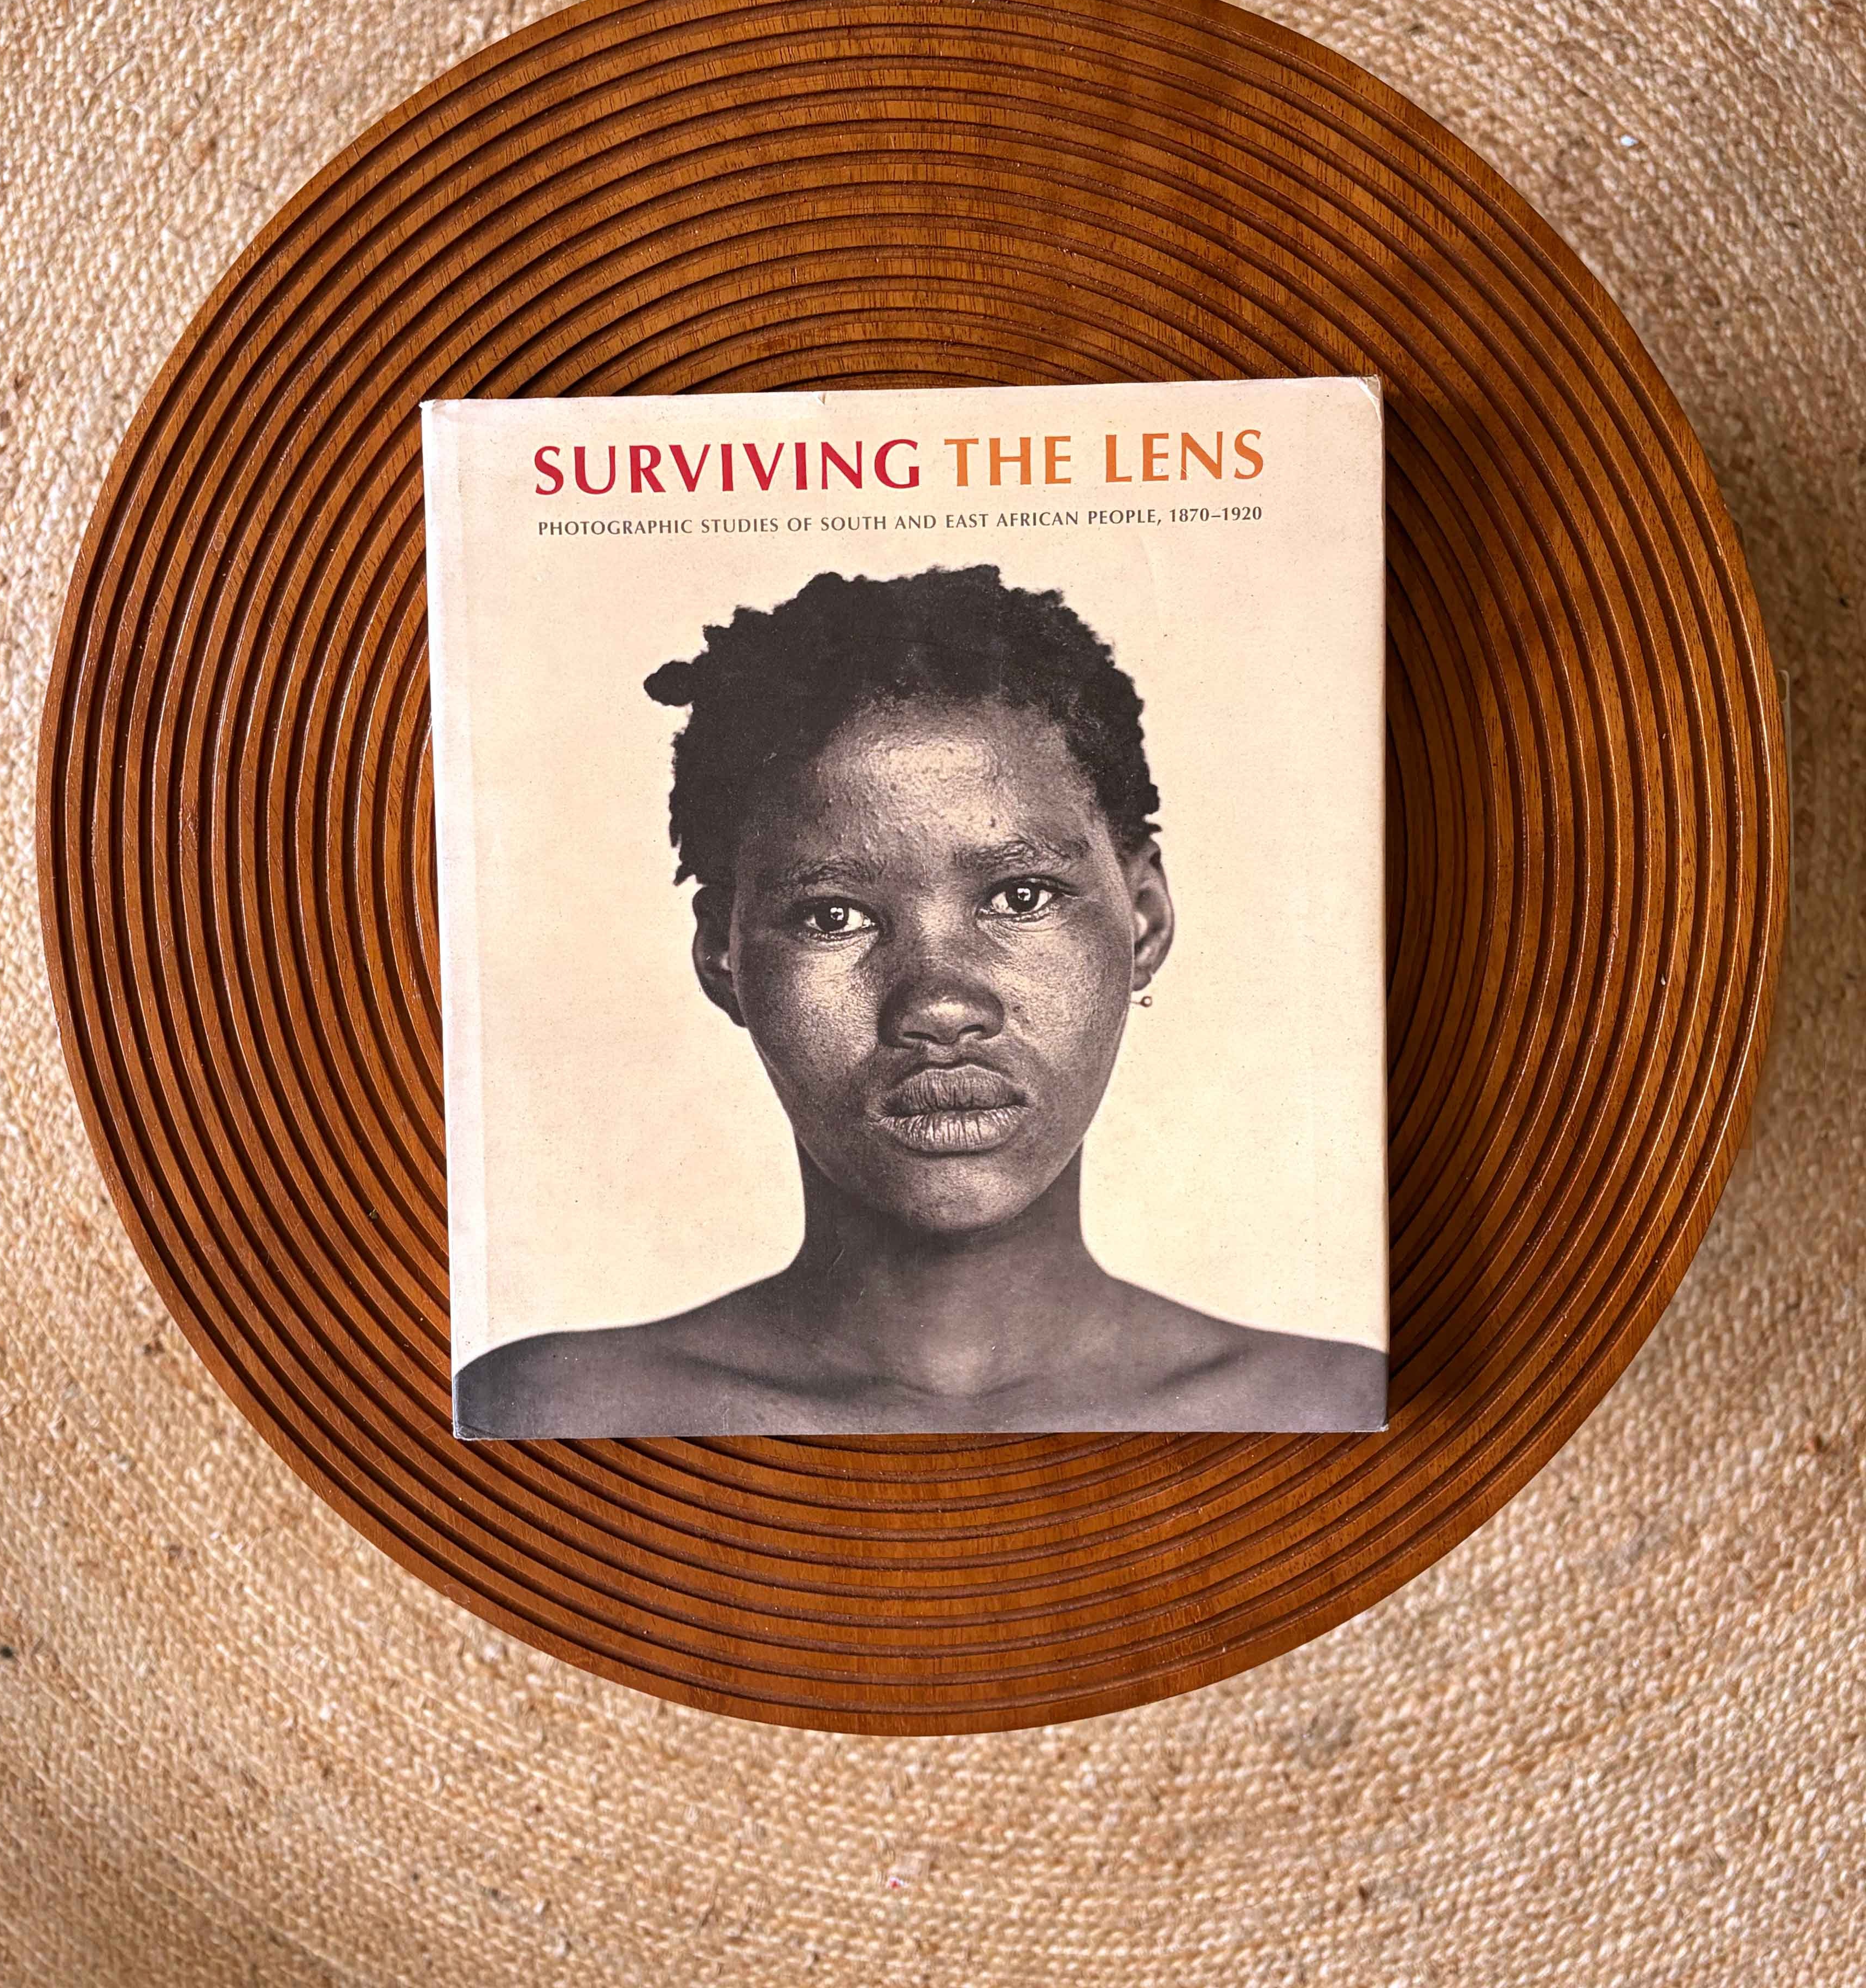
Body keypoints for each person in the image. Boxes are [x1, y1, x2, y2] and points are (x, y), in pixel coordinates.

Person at [455, 565, 1383, 1436]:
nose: (940, 1003)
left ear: (1142, 919)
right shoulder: (550, 1410)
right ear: (722, 954)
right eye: (832, 915)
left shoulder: (1326, 1403)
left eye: (1020, 896)